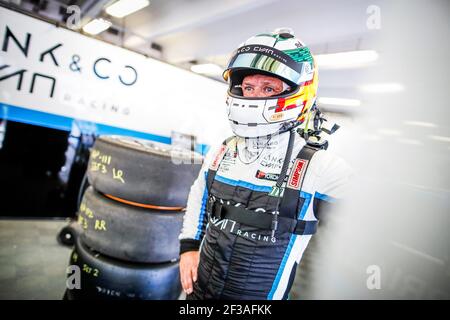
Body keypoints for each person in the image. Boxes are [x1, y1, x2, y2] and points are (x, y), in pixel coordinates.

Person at [178, 28, 353, 300]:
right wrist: (188, 247)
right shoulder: (223, 150)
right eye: (248, 88)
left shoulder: (320, 166)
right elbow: (199, 194)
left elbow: (374, 224)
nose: (254, 97)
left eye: (268, 88)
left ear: (299, 93)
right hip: (199, 293)